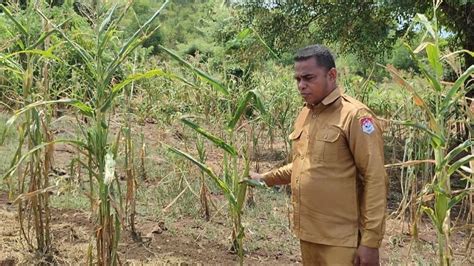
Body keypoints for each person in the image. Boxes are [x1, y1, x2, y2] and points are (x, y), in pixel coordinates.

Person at [250, 44, 388, 265]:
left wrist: (370, 242)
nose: (301, 86)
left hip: (342, 240)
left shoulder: (355, 116)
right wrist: (266, 178)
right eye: (298, 79)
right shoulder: (306, 113)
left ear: (331, 75)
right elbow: (304, 164)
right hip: (309, 234)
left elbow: (375, 179)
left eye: (308, 78)